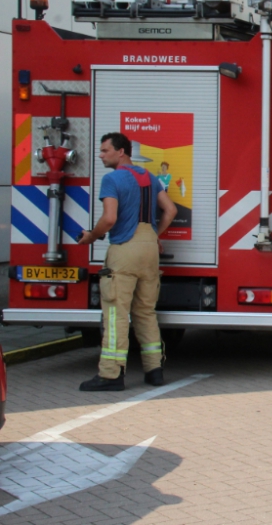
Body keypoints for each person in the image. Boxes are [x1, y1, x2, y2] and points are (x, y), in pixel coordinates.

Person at [77, 133, 178, 391]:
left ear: (121, 152)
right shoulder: (149, 178)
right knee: (145, 312)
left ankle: (111, 374)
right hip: (149, 249)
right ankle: (154, 370)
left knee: (116, 313)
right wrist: (155, 235)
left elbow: (109, 219)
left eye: (104, 150)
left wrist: (91, 237)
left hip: (125, 248)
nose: (101, 155)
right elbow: (171, 210)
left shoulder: (111, 179)